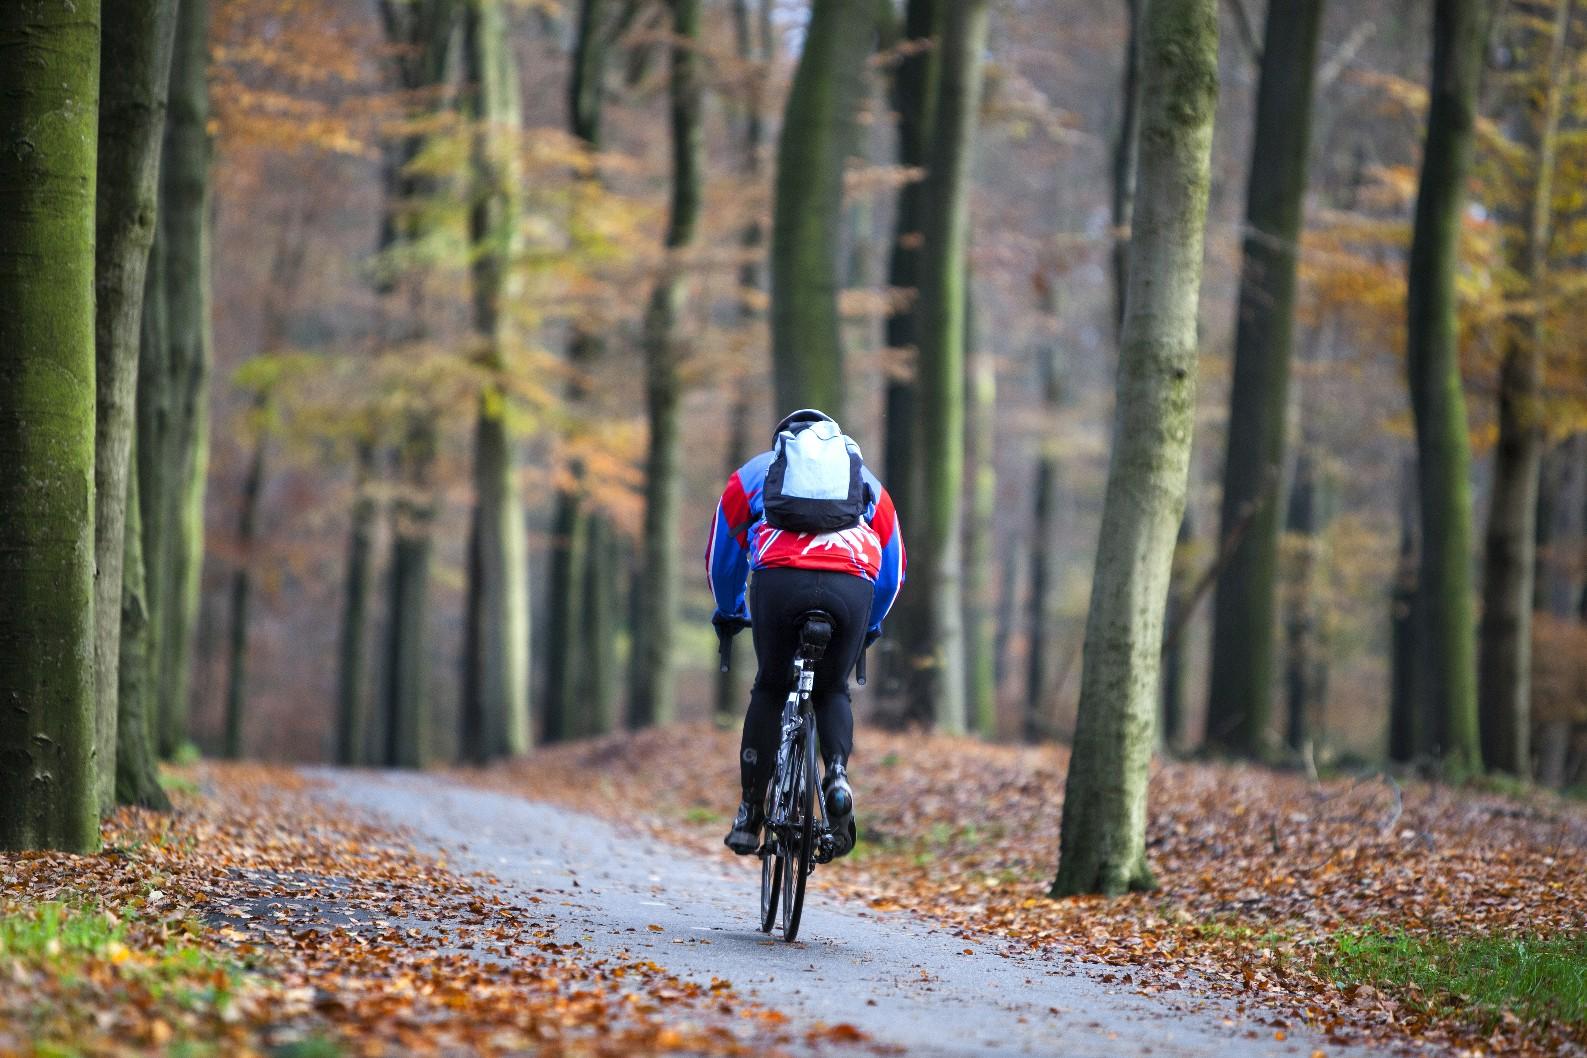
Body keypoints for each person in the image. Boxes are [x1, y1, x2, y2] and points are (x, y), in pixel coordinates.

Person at [705, 409, 905, 858]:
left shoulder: (754, 475)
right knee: (832, 689)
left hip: (780, 583)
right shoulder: (867, 481)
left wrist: (730, 609)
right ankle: (836, 775)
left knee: (772, 687)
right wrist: (870, 623)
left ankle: (750, 813)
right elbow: (894, 569)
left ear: (783, 445)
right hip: (851, 587)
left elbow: (723, 555)